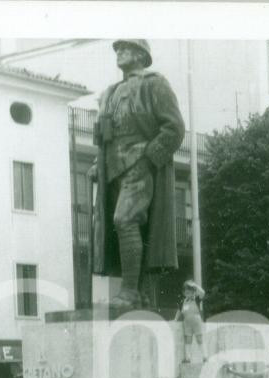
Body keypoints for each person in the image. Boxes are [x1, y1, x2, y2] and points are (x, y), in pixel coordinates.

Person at [89, 39, 186, 309]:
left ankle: (130, 291)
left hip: (140, 161)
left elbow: (175, 128)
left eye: (126, 48)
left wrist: (149, 158)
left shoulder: (155, 83)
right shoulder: (109, 92)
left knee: (125, 219)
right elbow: (106, 136)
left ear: (142, 54)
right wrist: (101, 164)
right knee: (133, 227)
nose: (119, 52)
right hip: (114, 168)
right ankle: (141, 292)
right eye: (117, 48)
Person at [174, 279, 205, 363]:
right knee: (188, 339)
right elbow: (179, 311)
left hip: (196, 321)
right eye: (186, 291)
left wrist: (194, 285)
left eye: (190, 291)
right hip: (187, 322)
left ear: (193, 292)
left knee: (199, 338)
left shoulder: (196, 299)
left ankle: (204, 356)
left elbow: (202, 292)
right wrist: (175, 319)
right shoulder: (183, 302)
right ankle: (188, 358)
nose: (187, 293)